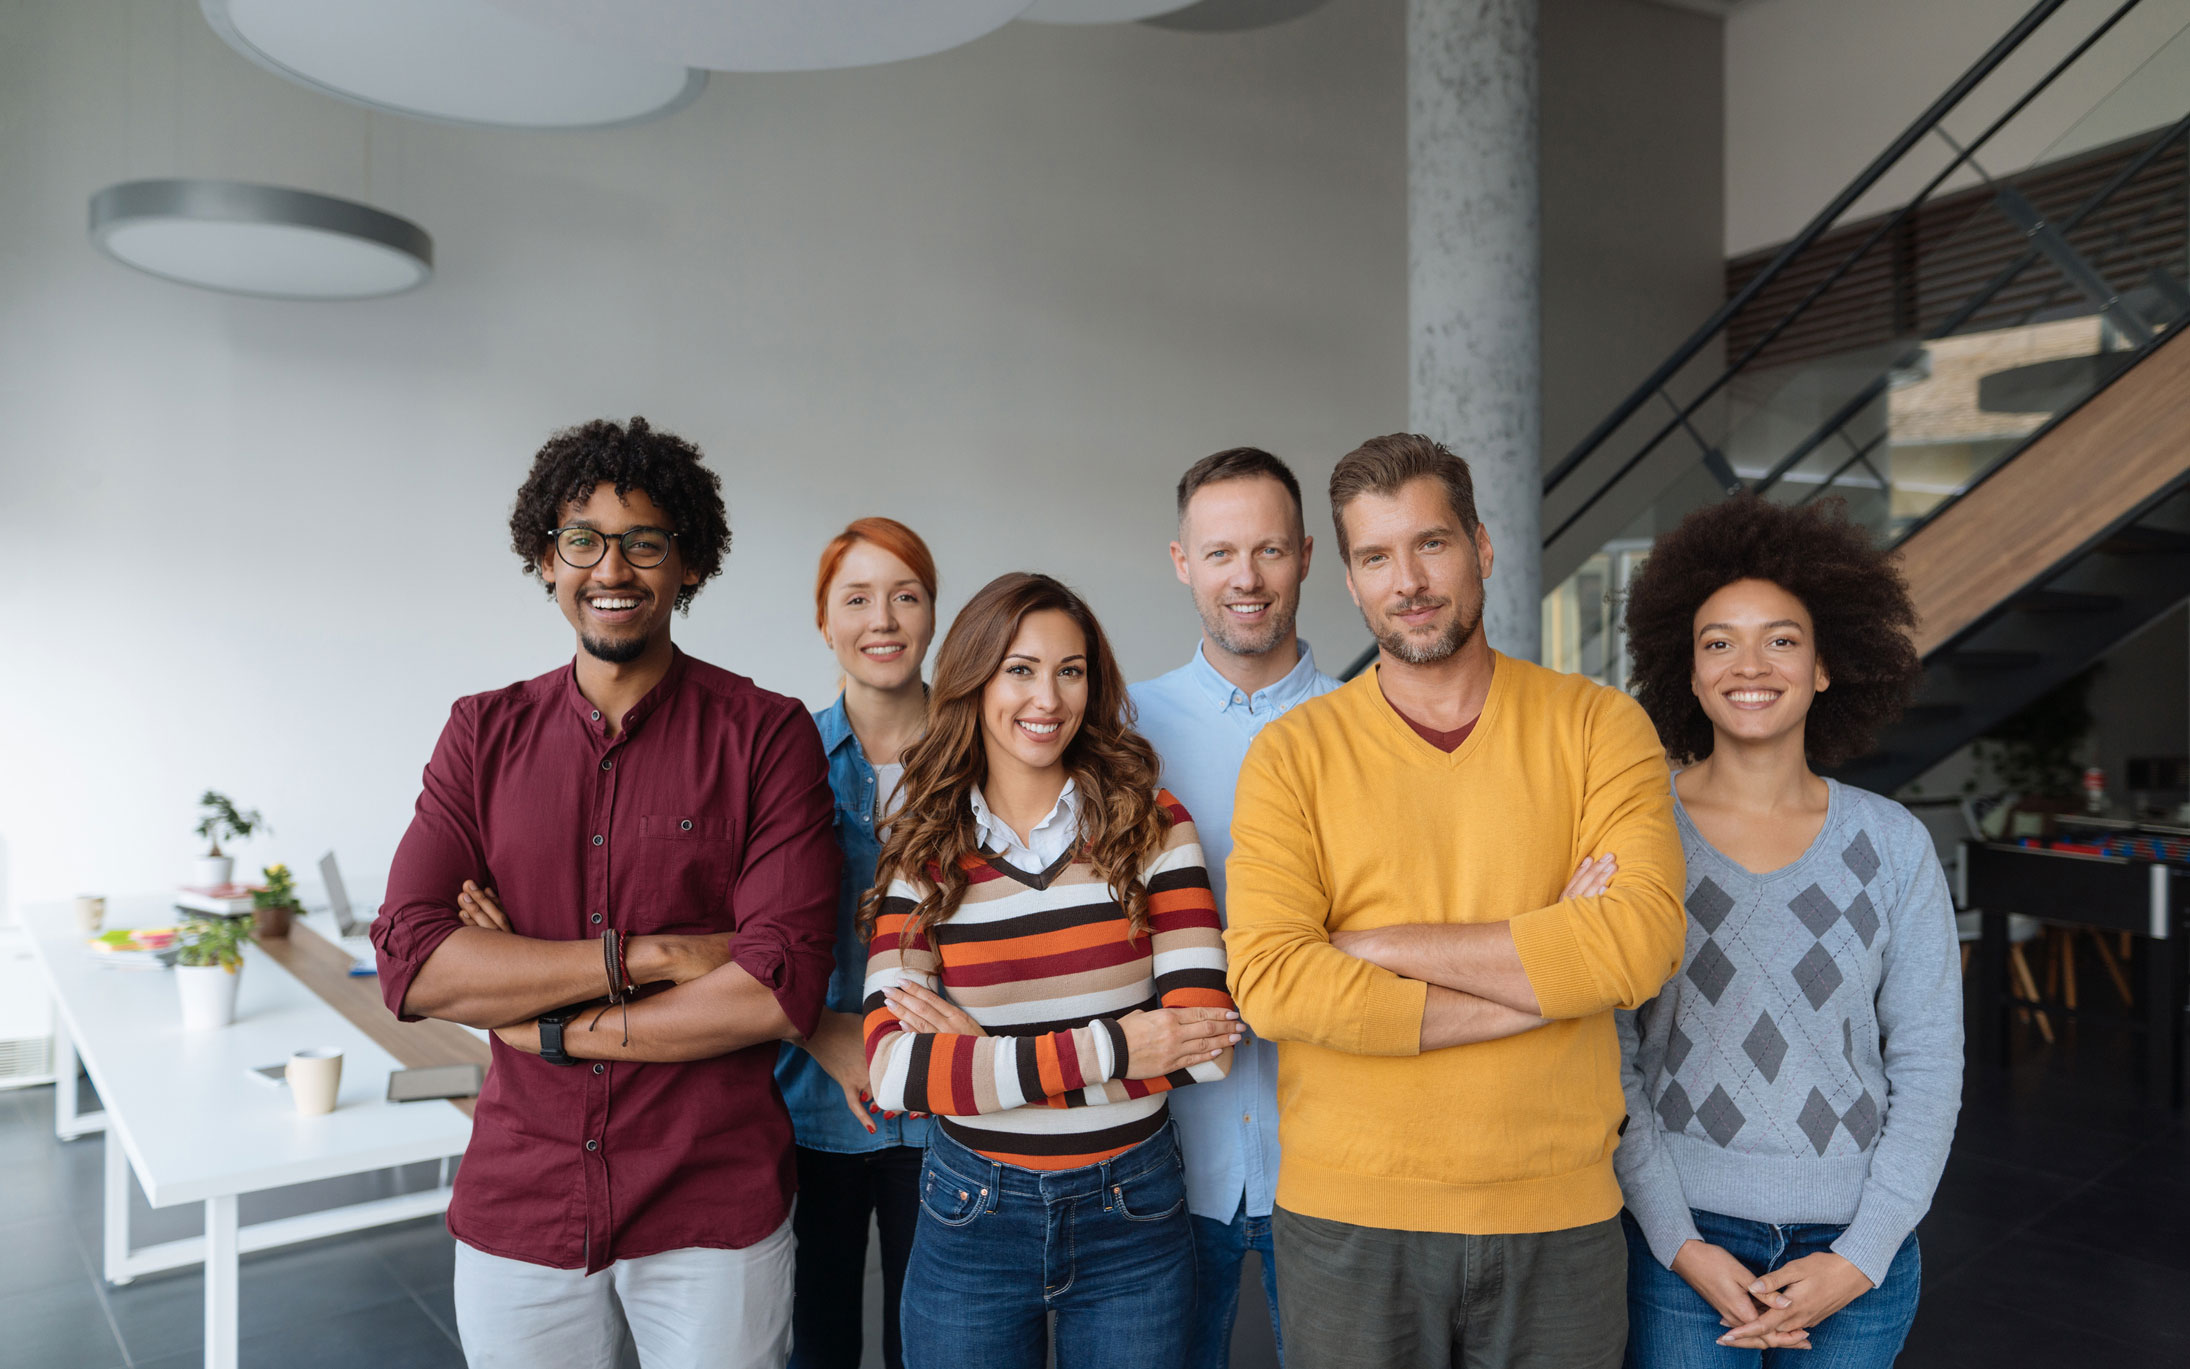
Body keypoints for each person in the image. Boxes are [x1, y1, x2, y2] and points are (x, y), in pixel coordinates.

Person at [369, 417, 839, 1369]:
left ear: (690, 565)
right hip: (522, 1196)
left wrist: (540, 1013)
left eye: (644, 542)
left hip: (712, 1198)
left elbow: (770, 985)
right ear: (547, 559)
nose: (610, 567)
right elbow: (413, 961)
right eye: (582, 540)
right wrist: (659, 954)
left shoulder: (766, 736)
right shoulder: (481, 734)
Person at [1224, 432, 1688, 1369]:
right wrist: (1549, 969)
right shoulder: (1292, 754)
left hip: (1559, 1213)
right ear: (1349, 581)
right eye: (1375, 556)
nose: (1409, 580)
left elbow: (1636, 949)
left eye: (1431, 544)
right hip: (1350, 1217)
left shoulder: (1600, 725)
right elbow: (1272, 982)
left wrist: (1372, 944)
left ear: (1481, 547)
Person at [861, 571, 1243, 1369]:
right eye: (1020, 669)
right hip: (972, 1215)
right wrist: (1121, 1048)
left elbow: (1207, 1047)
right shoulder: (922, 846)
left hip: (1133, 1214)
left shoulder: (1154, 824)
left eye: (1070, 670)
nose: (1048, 697)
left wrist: (982, 1050)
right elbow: (896, 1074)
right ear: (975, 678)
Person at [1613, 496, 1962, 1366]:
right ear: (1686, 673)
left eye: (1781, 637)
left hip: (1856, 1251)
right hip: (1680, 1244)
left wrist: (1861, 1254)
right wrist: (1678, 1240)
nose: (1749, 663)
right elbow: (1604, 1052)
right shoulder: (1637, 832)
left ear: (1824, 667)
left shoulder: (1892, 844)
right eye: (1717, 641)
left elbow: (1928, 1063)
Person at [1128, 447, 1339, 1366]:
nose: (1245, 579)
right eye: (1219, 554)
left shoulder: (1369, 722)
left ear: (1305, 557)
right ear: (1182, 561)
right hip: (1160, 1161)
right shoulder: (1118, 732)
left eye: (1269, 551)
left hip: (1335, 1163)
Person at [780, 517, 940, 1369]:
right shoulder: (782, 754)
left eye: (905, 596)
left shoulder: (979, 751)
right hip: (806, 1103)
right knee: (818, 1345)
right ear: (825, 621)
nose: (883, 619)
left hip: (947, 1111)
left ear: (932, 613)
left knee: (935, 1346)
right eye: (858, 598)